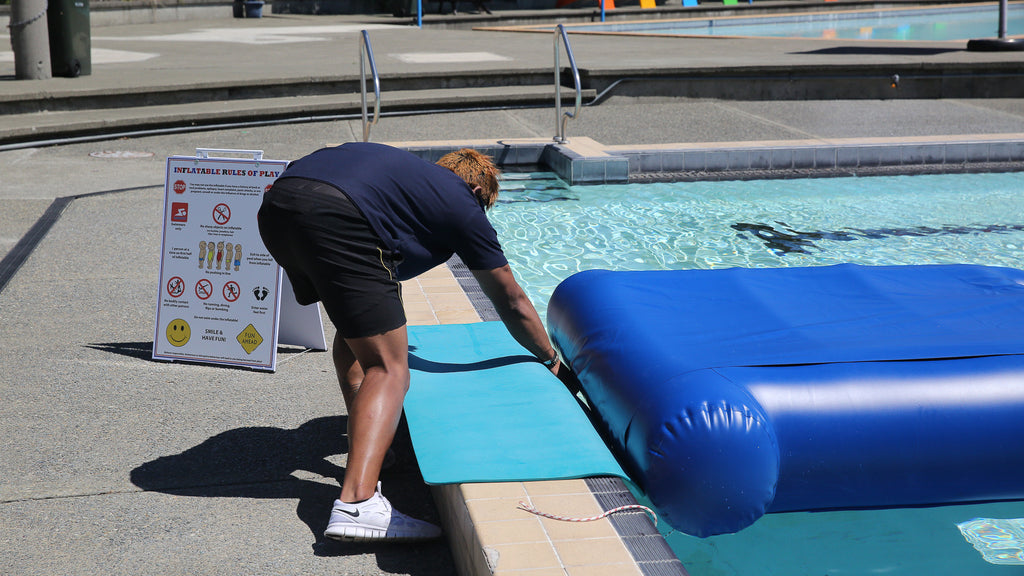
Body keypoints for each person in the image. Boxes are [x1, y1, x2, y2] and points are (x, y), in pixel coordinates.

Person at [257, 142, 563, 542]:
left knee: (359, 335)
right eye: (483, 206)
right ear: (477, 193)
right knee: (390, 368)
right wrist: (549, 356)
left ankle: (371, 455)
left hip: (278, 207)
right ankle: (357, 504)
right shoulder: (460, 200)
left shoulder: (404, 178)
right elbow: (511, 299)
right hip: (338, 216)